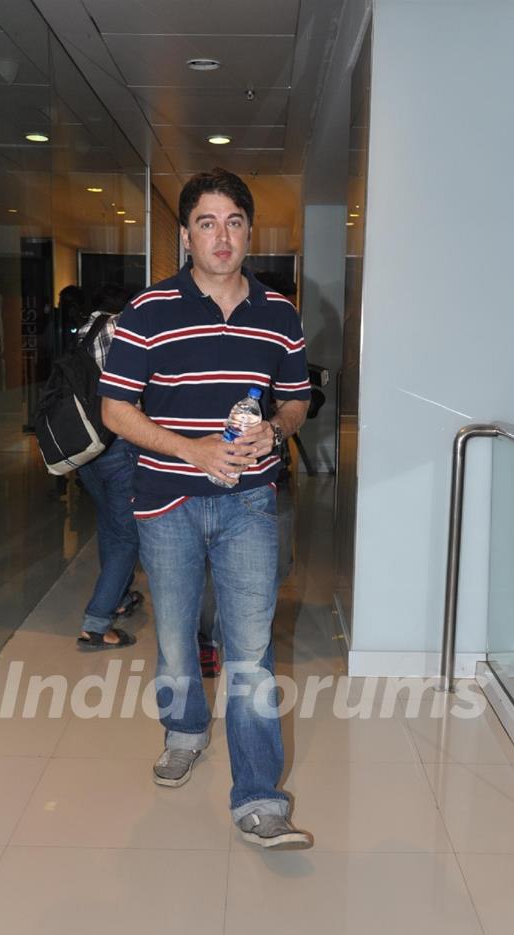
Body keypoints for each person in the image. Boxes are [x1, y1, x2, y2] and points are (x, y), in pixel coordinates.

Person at [99, 167, 314, 850]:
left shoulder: (279, 313)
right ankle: (185, 730)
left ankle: (258, 797)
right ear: (186, 233)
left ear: (249, 231)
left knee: (251, 653)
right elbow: (115, 411)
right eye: (206, 222)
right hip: (168, 501)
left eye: (234, 222)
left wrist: (274, 431)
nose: (221, 236)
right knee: (175, 640)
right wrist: (192, 452)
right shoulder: (148, 312)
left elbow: (297, 398)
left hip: (249, 500)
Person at [76, 283, 142, 650]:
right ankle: (96, 625)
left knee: (109, 526)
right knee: (127, 537)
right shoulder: (124, 330)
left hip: (89, 448)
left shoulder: (85, 332)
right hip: (119, 447)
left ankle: (119, 596)